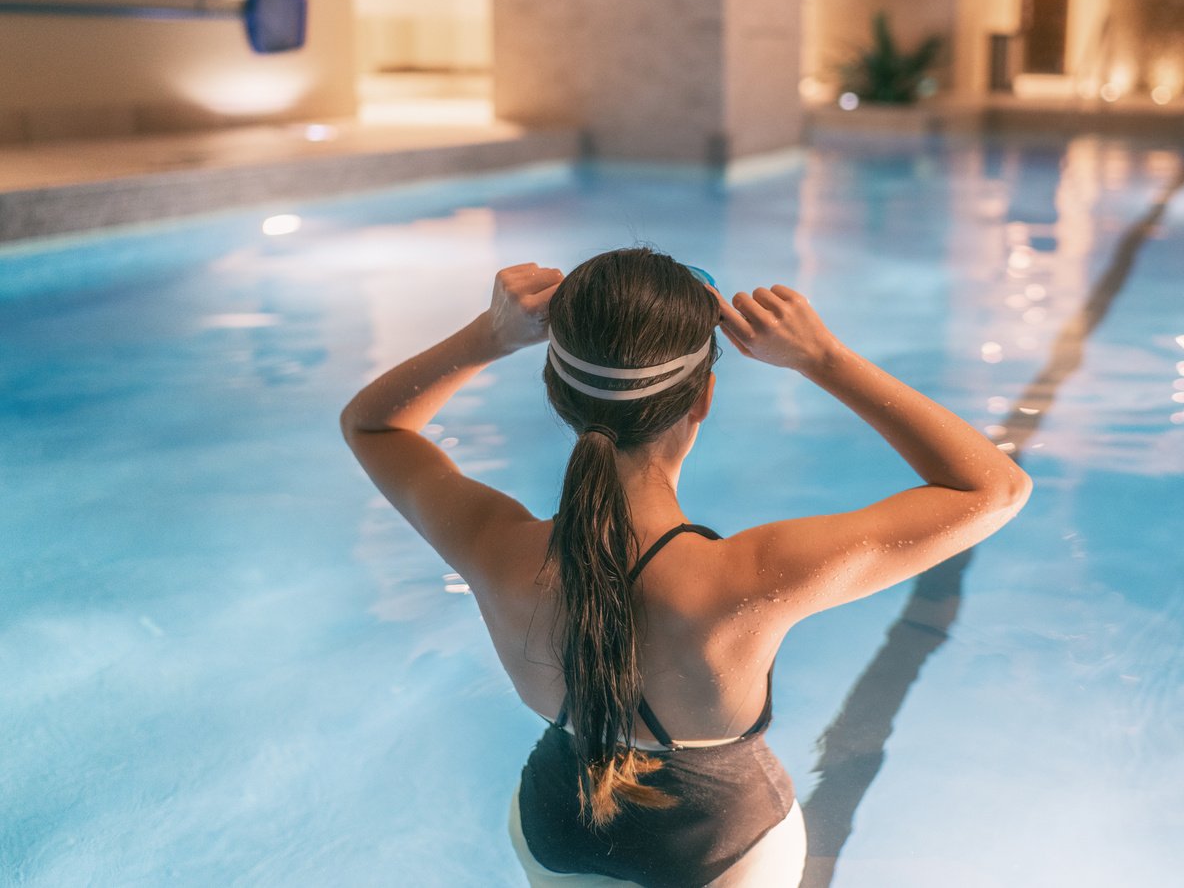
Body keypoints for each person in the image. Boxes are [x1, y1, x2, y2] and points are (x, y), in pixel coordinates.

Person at [341, 248, 1031, 887]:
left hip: (555, 827)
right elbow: (992, 487)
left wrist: (483, 338)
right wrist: (822, 356)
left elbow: (373, 425)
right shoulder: (755, 575)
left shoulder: (491, 544)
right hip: (721, 850)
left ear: (555, 390)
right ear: (702, 397)